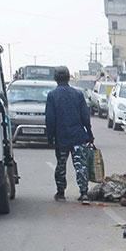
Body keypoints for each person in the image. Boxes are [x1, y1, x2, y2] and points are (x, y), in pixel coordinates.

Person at [44, 66, 94, 202]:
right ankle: (84, 193)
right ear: (68, 78)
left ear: (55, 79)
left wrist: (50, 138)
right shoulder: (78, 94)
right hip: (78, 137)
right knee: (81, 166)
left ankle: (60, 193)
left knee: (61, 165)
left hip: (62, 138)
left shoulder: (52, 95)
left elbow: (50, 119)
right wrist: (89, 134)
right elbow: (85, 117)